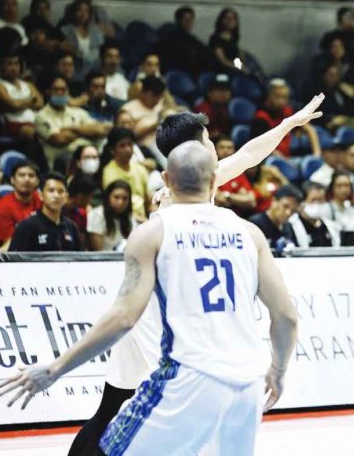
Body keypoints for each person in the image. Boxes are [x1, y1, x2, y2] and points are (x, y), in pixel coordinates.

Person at [0, 140, 299, 456]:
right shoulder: (249, 233)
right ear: (214, 181)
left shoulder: (153, 233)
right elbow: (287, 316)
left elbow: (123, 318)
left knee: (108, 450)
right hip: (248, 381)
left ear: (165, 181)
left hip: (188, 377)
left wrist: (55, 369)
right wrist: (277, 370)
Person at [65, 95, 324, 455]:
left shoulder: (196, 180)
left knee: (113, 404)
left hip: (152, 303)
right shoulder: (177, 194)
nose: (214, 147)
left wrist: (288, 125)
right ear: (192, 149)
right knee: (172, 406)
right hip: (156, 310)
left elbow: (249, 155)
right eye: (207, 140)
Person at [35, 74, 110, 167]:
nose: (60, 93)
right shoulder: (41, 116)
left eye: (63, 89)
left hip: (86, 154)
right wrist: (85, 131)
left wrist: (71, 129)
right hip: (62, 161)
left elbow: (100, 130)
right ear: (48, 92)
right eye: (56, 90)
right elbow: (59, 139)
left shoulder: (78, 112)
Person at [8, 172, 83, 251]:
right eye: (51, 191)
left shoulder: (72, 227)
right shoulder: (26, 227)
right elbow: (14, 260)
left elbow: (81, 259)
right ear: (41, 195)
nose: (56, 196)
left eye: (60, 191)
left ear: (66, 197)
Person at [251, 78, 322, 158]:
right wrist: (288, 165)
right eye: (278, 97)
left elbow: (309, 129)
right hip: (269, 160)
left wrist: (317, 155)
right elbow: (264, 149)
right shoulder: (261, 118)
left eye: (285, 97)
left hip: (288, 157)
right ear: (269, 96)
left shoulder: (287, 111)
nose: (282, 101)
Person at [0, 49, 43, 141]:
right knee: (41, 137)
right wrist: (30, 102)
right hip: (15, 126)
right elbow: (14, 105)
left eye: (16, 64)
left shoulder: (28, 84)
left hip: (35, 122)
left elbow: (40, 103)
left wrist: (20, 104)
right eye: (9, 64)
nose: (14, 68)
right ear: (1, 66)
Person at [101, 127, 150, 223]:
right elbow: (116, 207)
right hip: (123, 222)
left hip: (144, 220)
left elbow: (148, 202)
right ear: (112, 150)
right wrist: (145, 222)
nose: (127, 149)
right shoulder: (109, 173)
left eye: (129, 144)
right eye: (122, 146)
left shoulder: (140, 169)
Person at [0, 160, 41, 251]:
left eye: (31, 175)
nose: (27, 179)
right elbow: (9, 244)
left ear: (37, 181)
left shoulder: (42, 200)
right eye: (22, 175)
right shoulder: (2, 207)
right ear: (12, 180)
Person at [212, 135, 256, 217]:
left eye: (229, 148)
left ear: (234, 151)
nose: (225, 150)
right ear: (215, 150)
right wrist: (237, 197)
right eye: (222, 147)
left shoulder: (238, 173)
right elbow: (217, 198)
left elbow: (251, 200)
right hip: (214, 216)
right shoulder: (210, 171)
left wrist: (227, 195)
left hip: (236, 218)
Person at [120, 74, 167, 150]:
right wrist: (155, 125)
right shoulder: (128, 109)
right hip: (143, 148)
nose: (157, 100)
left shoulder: (160, 104)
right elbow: (127, 136)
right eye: (154, 96)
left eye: (159, 97)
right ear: (144, 92)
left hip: (165, 142)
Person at [60, 0, 103, 80]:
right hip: (75, 69)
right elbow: (68, 51)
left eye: (86, 11)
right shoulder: (66, 30)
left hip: (94, 69)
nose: (83, 14)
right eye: (79, 10)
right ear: (74, 12)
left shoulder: (95, 32)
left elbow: (97, 55)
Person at [249, 184, 303, 249]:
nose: (288, 213)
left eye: (293, 210)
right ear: (274, 201)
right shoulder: (255, 223)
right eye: (285, 206)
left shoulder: (288, 226)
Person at [289, 181, 340, 248]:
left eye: (321, 200)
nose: (318, 204)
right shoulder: (291, 225)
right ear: (301, 204)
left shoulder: (329, 225)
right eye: (313, 200)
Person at [87, 179, 134, 251]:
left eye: (125, 199)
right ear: (108, 197)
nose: (120, 202)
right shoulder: (97, 215)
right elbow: (98, 252)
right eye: (116, 197)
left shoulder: (129, 217)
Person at [193, 73, 232, 140]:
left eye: (227, 90)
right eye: (219, 90)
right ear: (209, 93)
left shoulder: (227, 110)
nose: (224, 93)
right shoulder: (201, 110)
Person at [64, 173, 96, 247]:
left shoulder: (82, 214)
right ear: (80, 197)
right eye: (90, 197)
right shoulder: (56, 210)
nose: (90, 201)